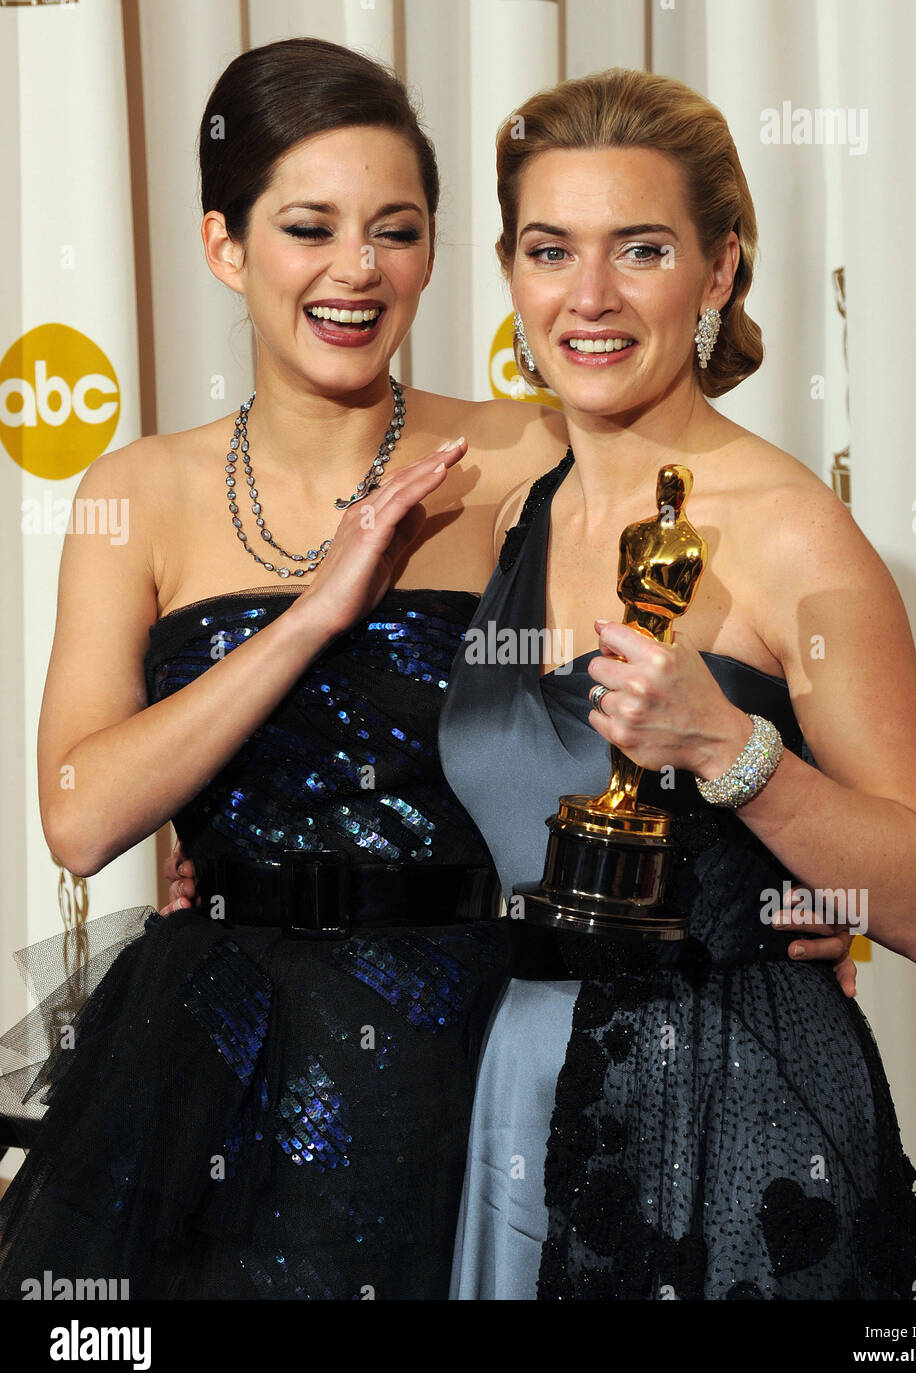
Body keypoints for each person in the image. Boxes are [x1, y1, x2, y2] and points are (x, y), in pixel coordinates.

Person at [0, 36, 568, 1300]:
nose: (357, 271)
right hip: (219, 1050)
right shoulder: (135, 494)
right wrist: (318, 610)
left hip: (474, 1036)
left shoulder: (530, 456)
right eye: (309, 227)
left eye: (397, 229)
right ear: (225, 246)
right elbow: (83, 815)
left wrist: (765, 906)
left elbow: (650, 718)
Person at [440, 68, 916, 1300]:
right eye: (548, 248)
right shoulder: (512, 506)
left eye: (641, 249)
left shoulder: (796, 535)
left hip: (732, 1120)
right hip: (519, 1082)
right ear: (512, 274)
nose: (589, 296)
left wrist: (734, 753)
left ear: (720, 271)